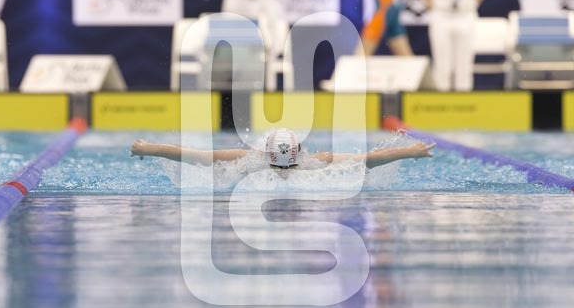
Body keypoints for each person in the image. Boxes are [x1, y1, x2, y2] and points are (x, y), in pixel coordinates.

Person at [130, 128, 435, 179]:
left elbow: (367, 160)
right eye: (280, 168)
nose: (283, 175)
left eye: (287, 168)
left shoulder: (316, 163)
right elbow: (193, 155)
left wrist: (410, 151)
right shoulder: (249, 159)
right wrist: (149, 148)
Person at [422, 0, 487, 91]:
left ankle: (464, 100)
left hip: (465, 14)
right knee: (442, 65)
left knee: (464, 65)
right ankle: (440, 100)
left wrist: (473, 4)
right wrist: (429, 2)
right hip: (442, 14)